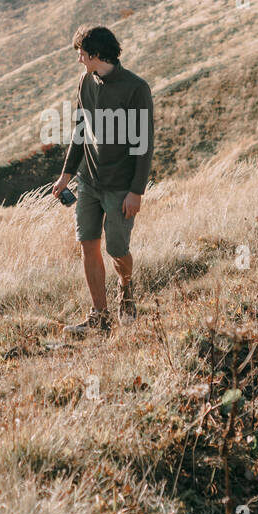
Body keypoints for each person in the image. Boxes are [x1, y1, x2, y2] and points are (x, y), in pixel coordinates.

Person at [52, 24, 154, 334]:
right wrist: (66, 176)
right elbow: (80, 132)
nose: (79, 59)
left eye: (81, 53)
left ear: (96, 54)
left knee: (117, 249)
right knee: (88, 244)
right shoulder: (85, 82)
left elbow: (143, 144)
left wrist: (136, 192)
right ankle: (100, 316)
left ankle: (126, 287)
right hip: (89, 181)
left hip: (121, 186)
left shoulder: (136, 88)